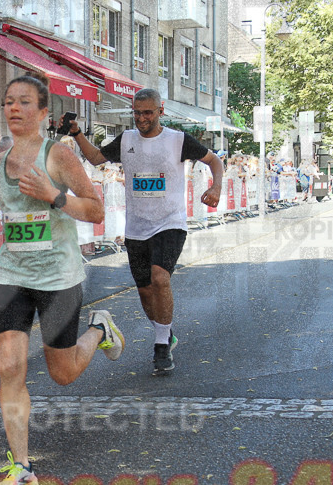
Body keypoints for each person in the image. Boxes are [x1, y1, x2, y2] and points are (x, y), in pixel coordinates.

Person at [0, 73, 125, 485]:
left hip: (58, 278)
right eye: (8, 102)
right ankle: (22, 467)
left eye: (23, 102)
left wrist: (54, 196)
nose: (14, 108)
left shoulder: (59, 156)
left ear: (42, 112)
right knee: (9, 368)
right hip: (13, 276)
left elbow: (94, 209)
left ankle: (100, 330)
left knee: (64, 373)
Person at [66, 87, 223, 375]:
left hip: (169, 223)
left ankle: (161, 346)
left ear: (160, 111)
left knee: (159, 278)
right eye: (137, 113)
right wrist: (76, 133)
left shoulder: (178, 140)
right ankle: (166, 331)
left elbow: (214, 160)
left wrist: (216, 187)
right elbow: (96, 158)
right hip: (137, 227)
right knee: (145, 291)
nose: (142, 118)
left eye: (148, 112)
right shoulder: (126, 140)